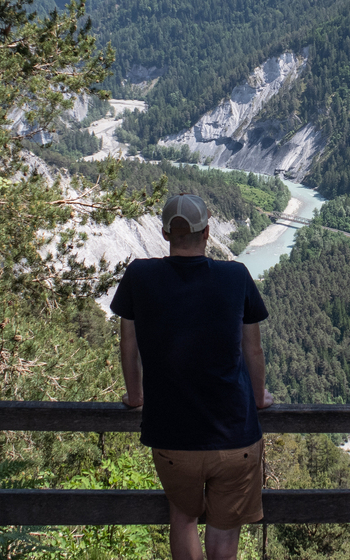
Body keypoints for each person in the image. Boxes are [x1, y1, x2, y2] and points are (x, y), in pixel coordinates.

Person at [111, 193, 274, 560]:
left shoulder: (139, 275)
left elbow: (128, 343)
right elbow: (253, 351)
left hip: (173, 437)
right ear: (207, 231)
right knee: (224, 535)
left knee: (183, 517)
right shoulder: (236, 275)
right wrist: (260, 398)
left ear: (166, 233)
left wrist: (135, 396)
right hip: (236, 435)